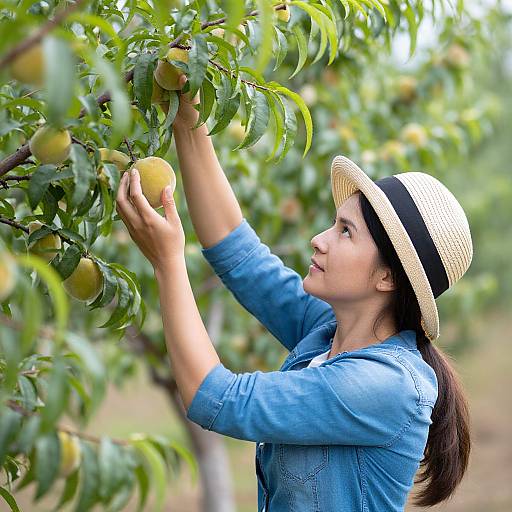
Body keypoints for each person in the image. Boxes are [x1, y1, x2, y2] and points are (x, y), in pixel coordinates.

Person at [115, 75, 472, 511]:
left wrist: (167, 262)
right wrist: (186, 116)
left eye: (346, 232)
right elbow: (238, 254)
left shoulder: (385, 385)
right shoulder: (328, 333)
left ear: (388, 278)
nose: (319, 239)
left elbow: (218, 398)